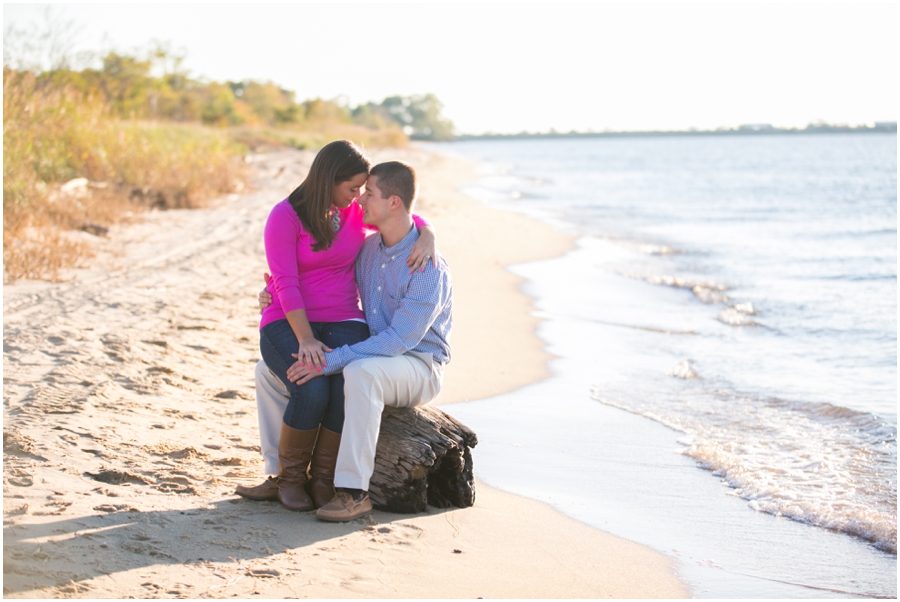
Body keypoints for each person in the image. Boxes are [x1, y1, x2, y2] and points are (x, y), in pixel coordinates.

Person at [235, 141, 438, 513]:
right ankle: (290, 478)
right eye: (352, 188)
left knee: (343, 382)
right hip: (288, 318)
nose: (359, 197)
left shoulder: (350, 212)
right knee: (311, 388)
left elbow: (400, 213)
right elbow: (285, 281)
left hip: (344, 316)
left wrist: (429, 233)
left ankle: (323, 480)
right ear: (329, 181)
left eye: (364, 190)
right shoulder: (285, 216)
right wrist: (305, 337)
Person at [283, 160, 453, 522]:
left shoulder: (427, 267)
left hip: (419, 365)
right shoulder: (369, 250)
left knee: (360, 372)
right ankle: (281, 476)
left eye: (369, 193)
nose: (360, 200)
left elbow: (398, 341)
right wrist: (270, 294)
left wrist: (334, 358)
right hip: (377, 356)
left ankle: (352, 491)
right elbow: (320, 277)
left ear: (393, 202)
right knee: (275, 370)